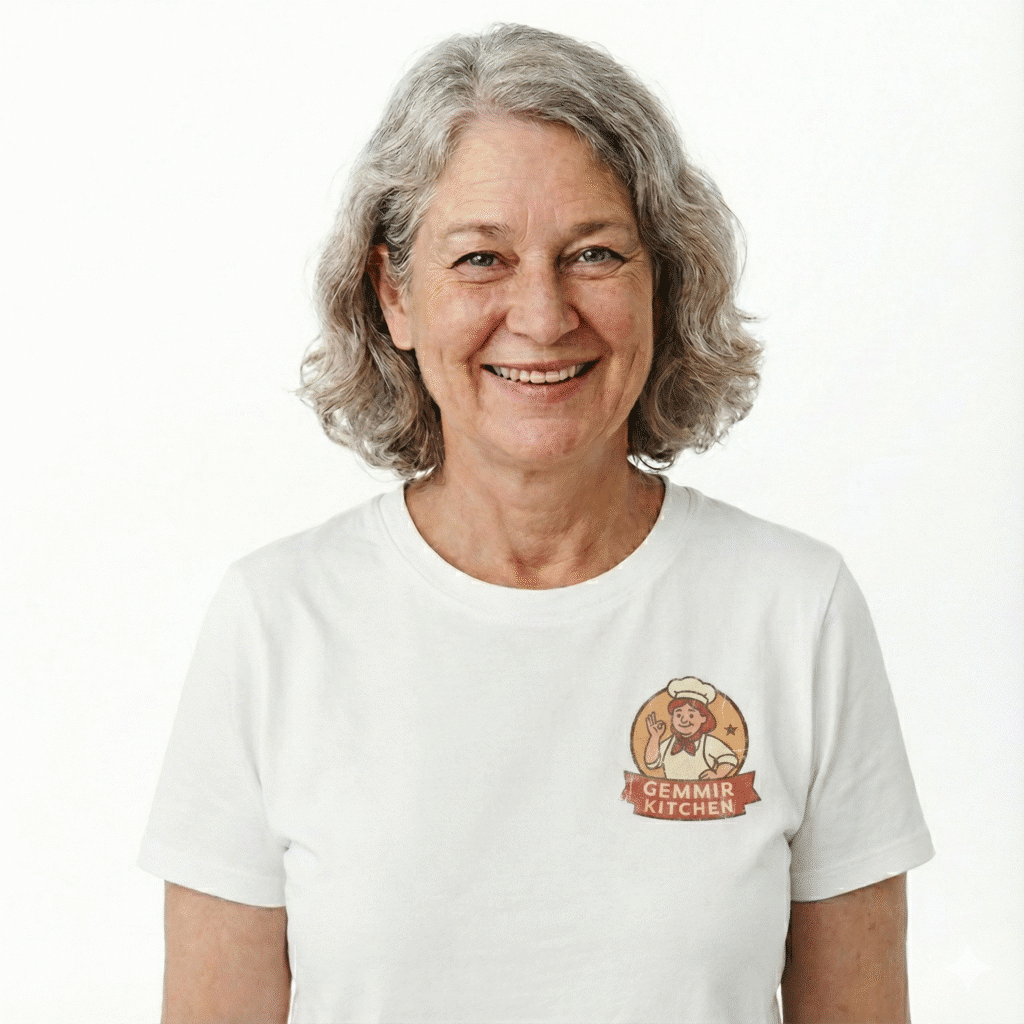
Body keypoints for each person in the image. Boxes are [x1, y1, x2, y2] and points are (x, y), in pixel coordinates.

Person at [139, 23, 933, 1024]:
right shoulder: (275, 622)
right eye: (481, 258)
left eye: (593, 253)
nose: (544, 315)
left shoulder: (795, 611)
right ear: (395, 295)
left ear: (661, 279)